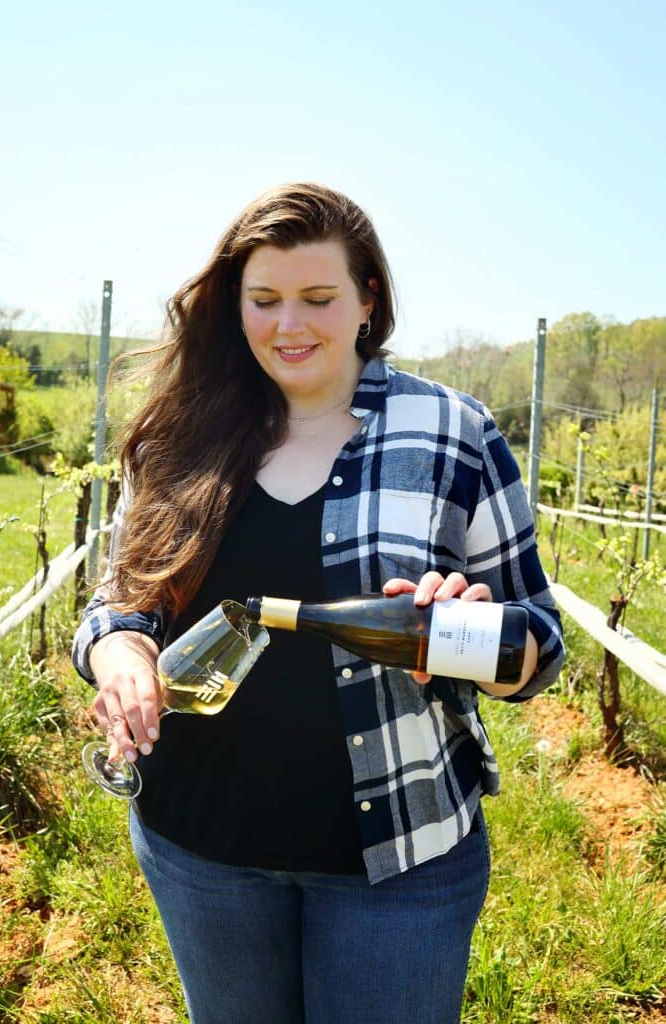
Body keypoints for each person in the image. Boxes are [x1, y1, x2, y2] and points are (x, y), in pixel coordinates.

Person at [72, 182, 565, 1024]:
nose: (287, 325)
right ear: (233, 306)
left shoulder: (452, 431)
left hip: (398, 859)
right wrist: (117, 649)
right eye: (262, 300)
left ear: (367, 300)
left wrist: (461, 626)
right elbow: (120, 600)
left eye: (317, 298)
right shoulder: (180, 432)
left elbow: (538, 650)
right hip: (199, 847)